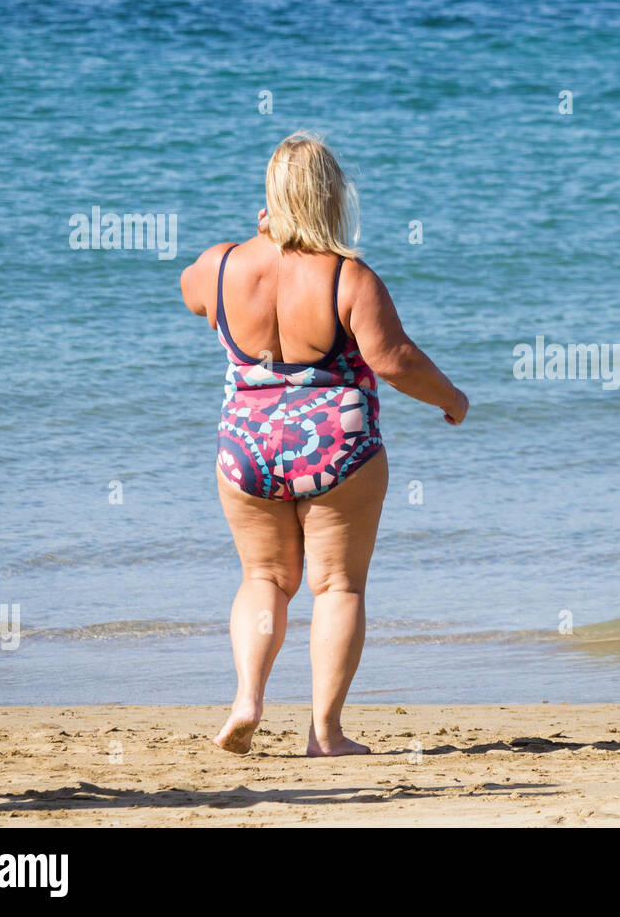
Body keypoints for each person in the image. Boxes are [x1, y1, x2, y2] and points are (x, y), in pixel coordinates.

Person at [180, 131, 468, 756]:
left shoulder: (220, 263)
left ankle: (247, 698)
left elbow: (192, 296)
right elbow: (392, 360)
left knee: (264, 576)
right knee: (337, 585)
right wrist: (452, 398)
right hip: (335, 446)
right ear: (332, 198)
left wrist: (255, 245)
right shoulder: (347, 276)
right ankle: (325, 733)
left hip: (246, 445)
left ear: (269, 197)